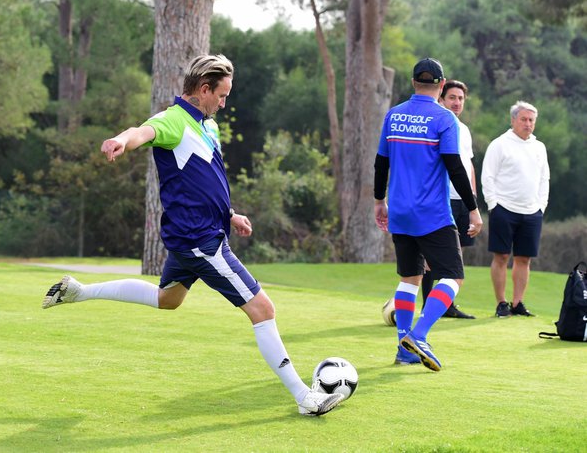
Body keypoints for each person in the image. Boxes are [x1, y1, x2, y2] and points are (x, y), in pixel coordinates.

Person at [40, 54, 342, 417]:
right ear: (203, 90)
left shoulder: (209, 127)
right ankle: (304, 398)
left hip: (199, 233)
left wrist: (230, 214)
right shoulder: (174, 121)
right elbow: (142, 132)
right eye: (222, 95)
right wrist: (121, 139)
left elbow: (204, 180)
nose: (224, 102)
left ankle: (80, 291)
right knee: (263, 309)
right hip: (201, 240)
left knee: (168, 299)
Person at [373, 58, 483, 371]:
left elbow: (381, 163)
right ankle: (419, 335)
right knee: (453, 276)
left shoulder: (394, 115)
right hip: (432, 213)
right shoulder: (444, 118)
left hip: (400, 212)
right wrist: (473, 209)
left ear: (412, 83)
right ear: (441, 84)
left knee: (410, 278)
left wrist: (379, 201)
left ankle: (404, 348)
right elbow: (455, 166)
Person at [481, 101, 549, 318]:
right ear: (513, 120)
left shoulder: (539, 147)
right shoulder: (500, 144)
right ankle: (502, 303)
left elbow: (544, 178)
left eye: (531, 120)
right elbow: (488, 176)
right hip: (504, 209)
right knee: (501, 256)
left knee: (524, 259)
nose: (528, 124)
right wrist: (493, 205)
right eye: (523, 119)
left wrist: (541, 206)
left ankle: (517, 303)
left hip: (532, 212)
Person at [420, 80, 476, 319]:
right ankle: (427, 306)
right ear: (441, 98)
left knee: (457, 254)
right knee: (433, 257)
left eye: (461, 99)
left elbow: (467, 163)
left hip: (463, 199)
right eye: (452, 97)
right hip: (441, 198)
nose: (457, 103)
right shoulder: (436, 122)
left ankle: (446, 306)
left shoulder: (463, 129)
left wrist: (472, 196)